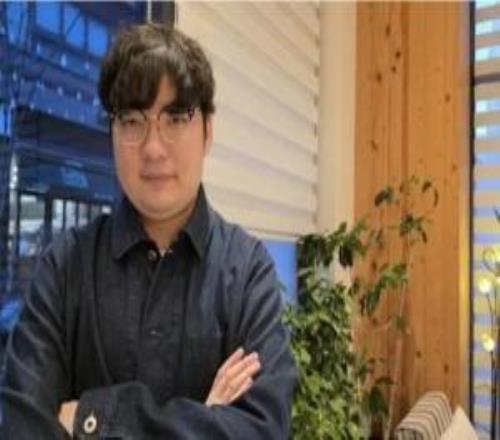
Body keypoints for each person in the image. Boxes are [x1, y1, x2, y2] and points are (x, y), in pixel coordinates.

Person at [0, 23, 297, 439]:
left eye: (175, 118)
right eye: (132, 120)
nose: (154, 148)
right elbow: (22, 427)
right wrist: (205, 420)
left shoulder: (247, 273)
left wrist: (92, 420)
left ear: (208, 130)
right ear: (112, 132)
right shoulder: (64, 268)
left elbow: (262, 431)